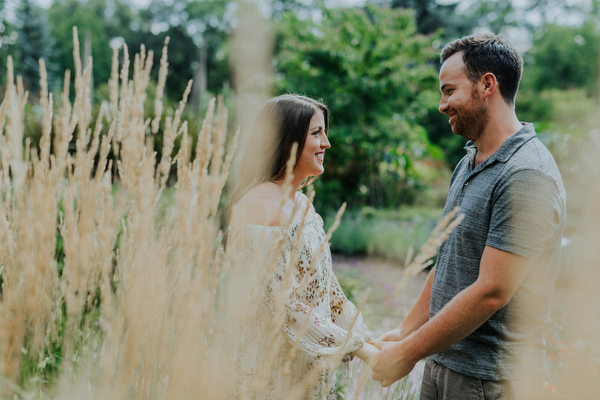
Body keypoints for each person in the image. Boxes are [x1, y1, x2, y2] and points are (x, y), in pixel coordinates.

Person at [370, 33, 566, 399]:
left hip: (489, 379)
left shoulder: (527, 175)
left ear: (486, 84)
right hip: (443, 363)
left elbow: (492, 291)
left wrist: (408, 353)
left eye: (448, 90)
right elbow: (451, 260)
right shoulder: (469, 161)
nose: (441, 105)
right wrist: (405, 332)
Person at [225, 94, 378, 399]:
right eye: (316, 133)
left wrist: (366, 339)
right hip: (272, 373)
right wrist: (362, 351)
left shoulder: (303, 205)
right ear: (287, 140)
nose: (327, 143)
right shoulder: (260, 206)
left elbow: (329, 292)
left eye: (325, 132)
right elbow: (285, 304)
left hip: (307, 367)